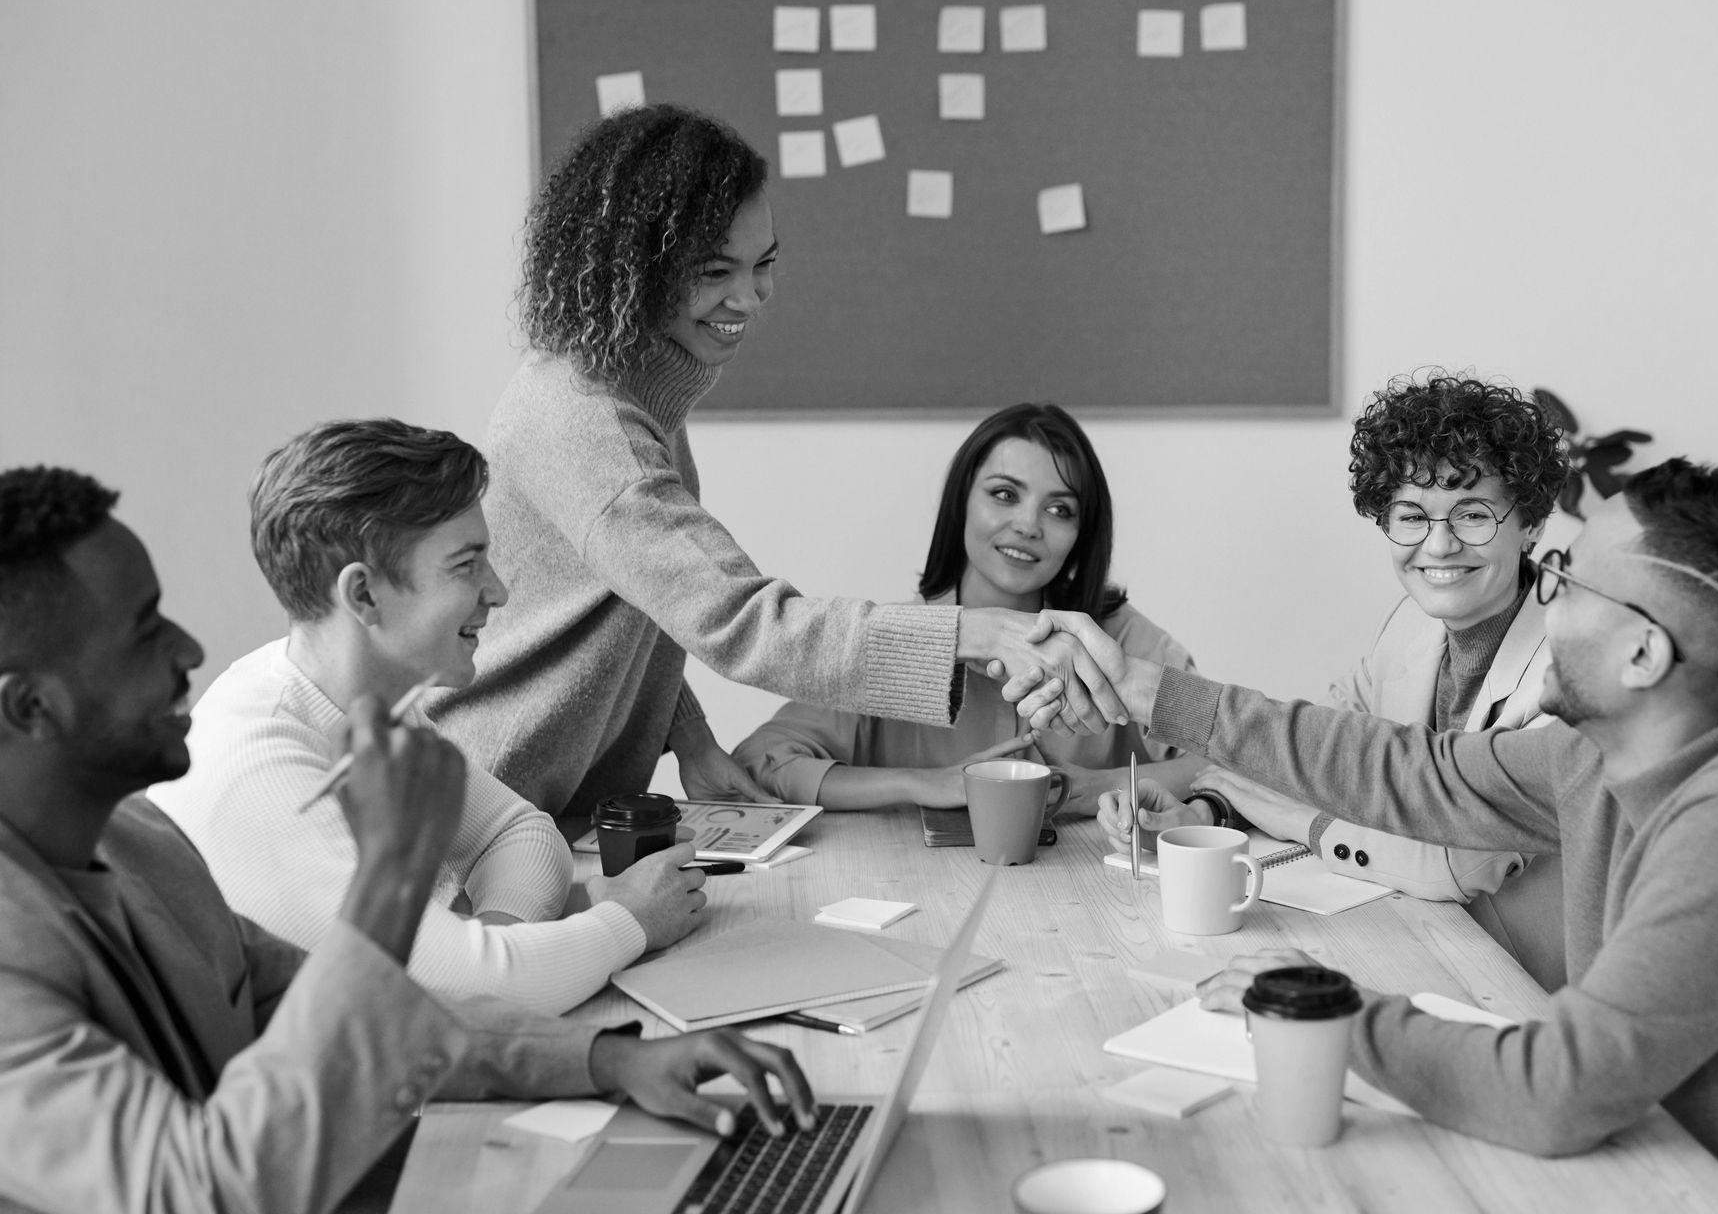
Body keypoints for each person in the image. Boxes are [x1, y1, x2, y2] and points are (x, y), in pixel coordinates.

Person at [1067, 459, 1718, 1214]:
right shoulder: (1602, 752)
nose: (1546, 592)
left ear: (1644, 653)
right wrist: (1157, 694)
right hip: (1630, 1157)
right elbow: (1412, 772)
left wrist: (1330, 1011)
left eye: (1571, 583)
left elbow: (1558, 1091)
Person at [0, 466, 814, 1214]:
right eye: (145, 633)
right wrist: (391, 875)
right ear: (30, 707)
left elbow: (375, 1026)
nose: (190, 651)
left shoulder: (138, 843)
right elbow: (203, 1191)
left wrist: (606, 1061)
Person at [426, 103, 1126, 820]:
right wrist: (971, 632)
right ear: (631, 270)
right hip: (484, 809)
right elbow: (742, 619)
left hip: (555, 808)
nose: (749, 298)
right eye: (714, 271)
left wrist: (690, 739)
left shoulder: (635, 393)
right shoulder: (588, 423)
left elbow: (649, 600)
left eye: (763, 264)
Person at [149, 420, 705, 1015]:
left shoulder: (365, 700)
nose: (498, 592)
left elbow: (520, 833)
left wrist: (496, 943)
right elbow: (482, 995)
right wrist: (629, 920)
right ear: (362, 595)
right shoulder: (260, 768)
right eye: (465, 566)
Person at [1185, 373, 1571, 986]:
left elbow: (1454, 861)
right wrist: (1208, 806)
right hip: (1424, 951)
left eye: (1473, 515)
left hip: (1530, 993)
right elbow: (1319, 751)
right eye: (1412, 516)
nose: (1438, 545)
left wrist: (1301, 822)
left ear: (1532, 524)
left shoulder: (1570, 670)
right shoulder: (1410, 627)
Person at [735, 404, 1202, 813]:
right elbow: (762, 761)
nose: (1028, 525)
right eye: (1004, 495)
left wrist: (1104, 785)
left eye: (1059, 510)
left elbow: (1239, 760)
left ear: (1082, 536)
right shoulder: (894, 642)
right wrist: (922, 783)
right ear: (961, 503)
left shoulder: (1125, 642)